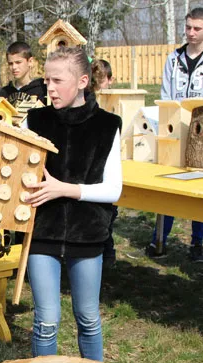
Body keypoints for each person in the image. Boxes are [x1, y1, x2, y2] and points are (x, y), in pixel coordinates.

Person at [0, 47, 122, 361]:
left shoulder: (107, 125)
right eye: (46, 79)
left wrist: (62, 189)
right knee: (46, 321)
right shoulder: (34, 120)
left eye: (57, 80)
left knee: (88, 318)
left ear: (81, 81)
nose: (49, 87)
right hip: (42, 231)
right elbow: (2, 167)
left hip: (87, 233)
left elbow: (113, 190)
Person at [146, 7, 203, 262]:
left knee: (198, 187)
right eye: (188, 27)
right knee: (168, 184)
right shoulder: (174, 58)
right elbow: (166, 93)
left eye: (197, 28)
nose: (191, 33)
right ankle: (160, 237)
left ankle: (197, 243)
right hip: (175, 127)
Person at [91, 59, 118, 268]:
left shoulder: (111, 108)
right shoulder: (92, 103)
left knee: (105, 212)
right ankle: (106, 252)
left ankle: (107, 251)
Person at [0, 41, 48, 107]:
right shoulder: (5, 92)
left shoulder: (42, 90)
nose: (14, 67)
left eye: (18, 62)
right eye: (10, 63)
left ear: (30, 62)